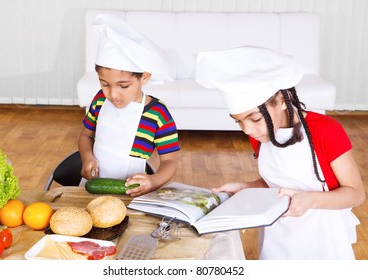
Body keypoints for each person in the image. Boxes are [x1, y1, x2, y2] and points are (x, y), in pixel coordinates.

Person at [195, 46, 365, 259]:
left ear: (283, 101)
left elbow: (356, 193)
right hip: (277, 233)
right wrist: (245, 187)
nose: (247, 130)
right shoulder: (261, 134)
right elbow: (277, 182)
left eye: (255, 119)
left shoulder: (325, 130)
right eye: (238, 121)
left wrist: (310, 200)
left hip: (323, 237)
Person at [78, 13, 180, 197]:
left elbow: (170, 160)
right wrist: (87, 157)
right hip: (93, 189)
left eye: (123, 86)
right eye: (104, 84)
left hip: (134, 195)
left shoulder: (157, 114)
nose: (112, 94)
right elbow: (85, 135)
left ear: (145, 77)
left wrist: (153, 180)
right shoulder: (100, 100)